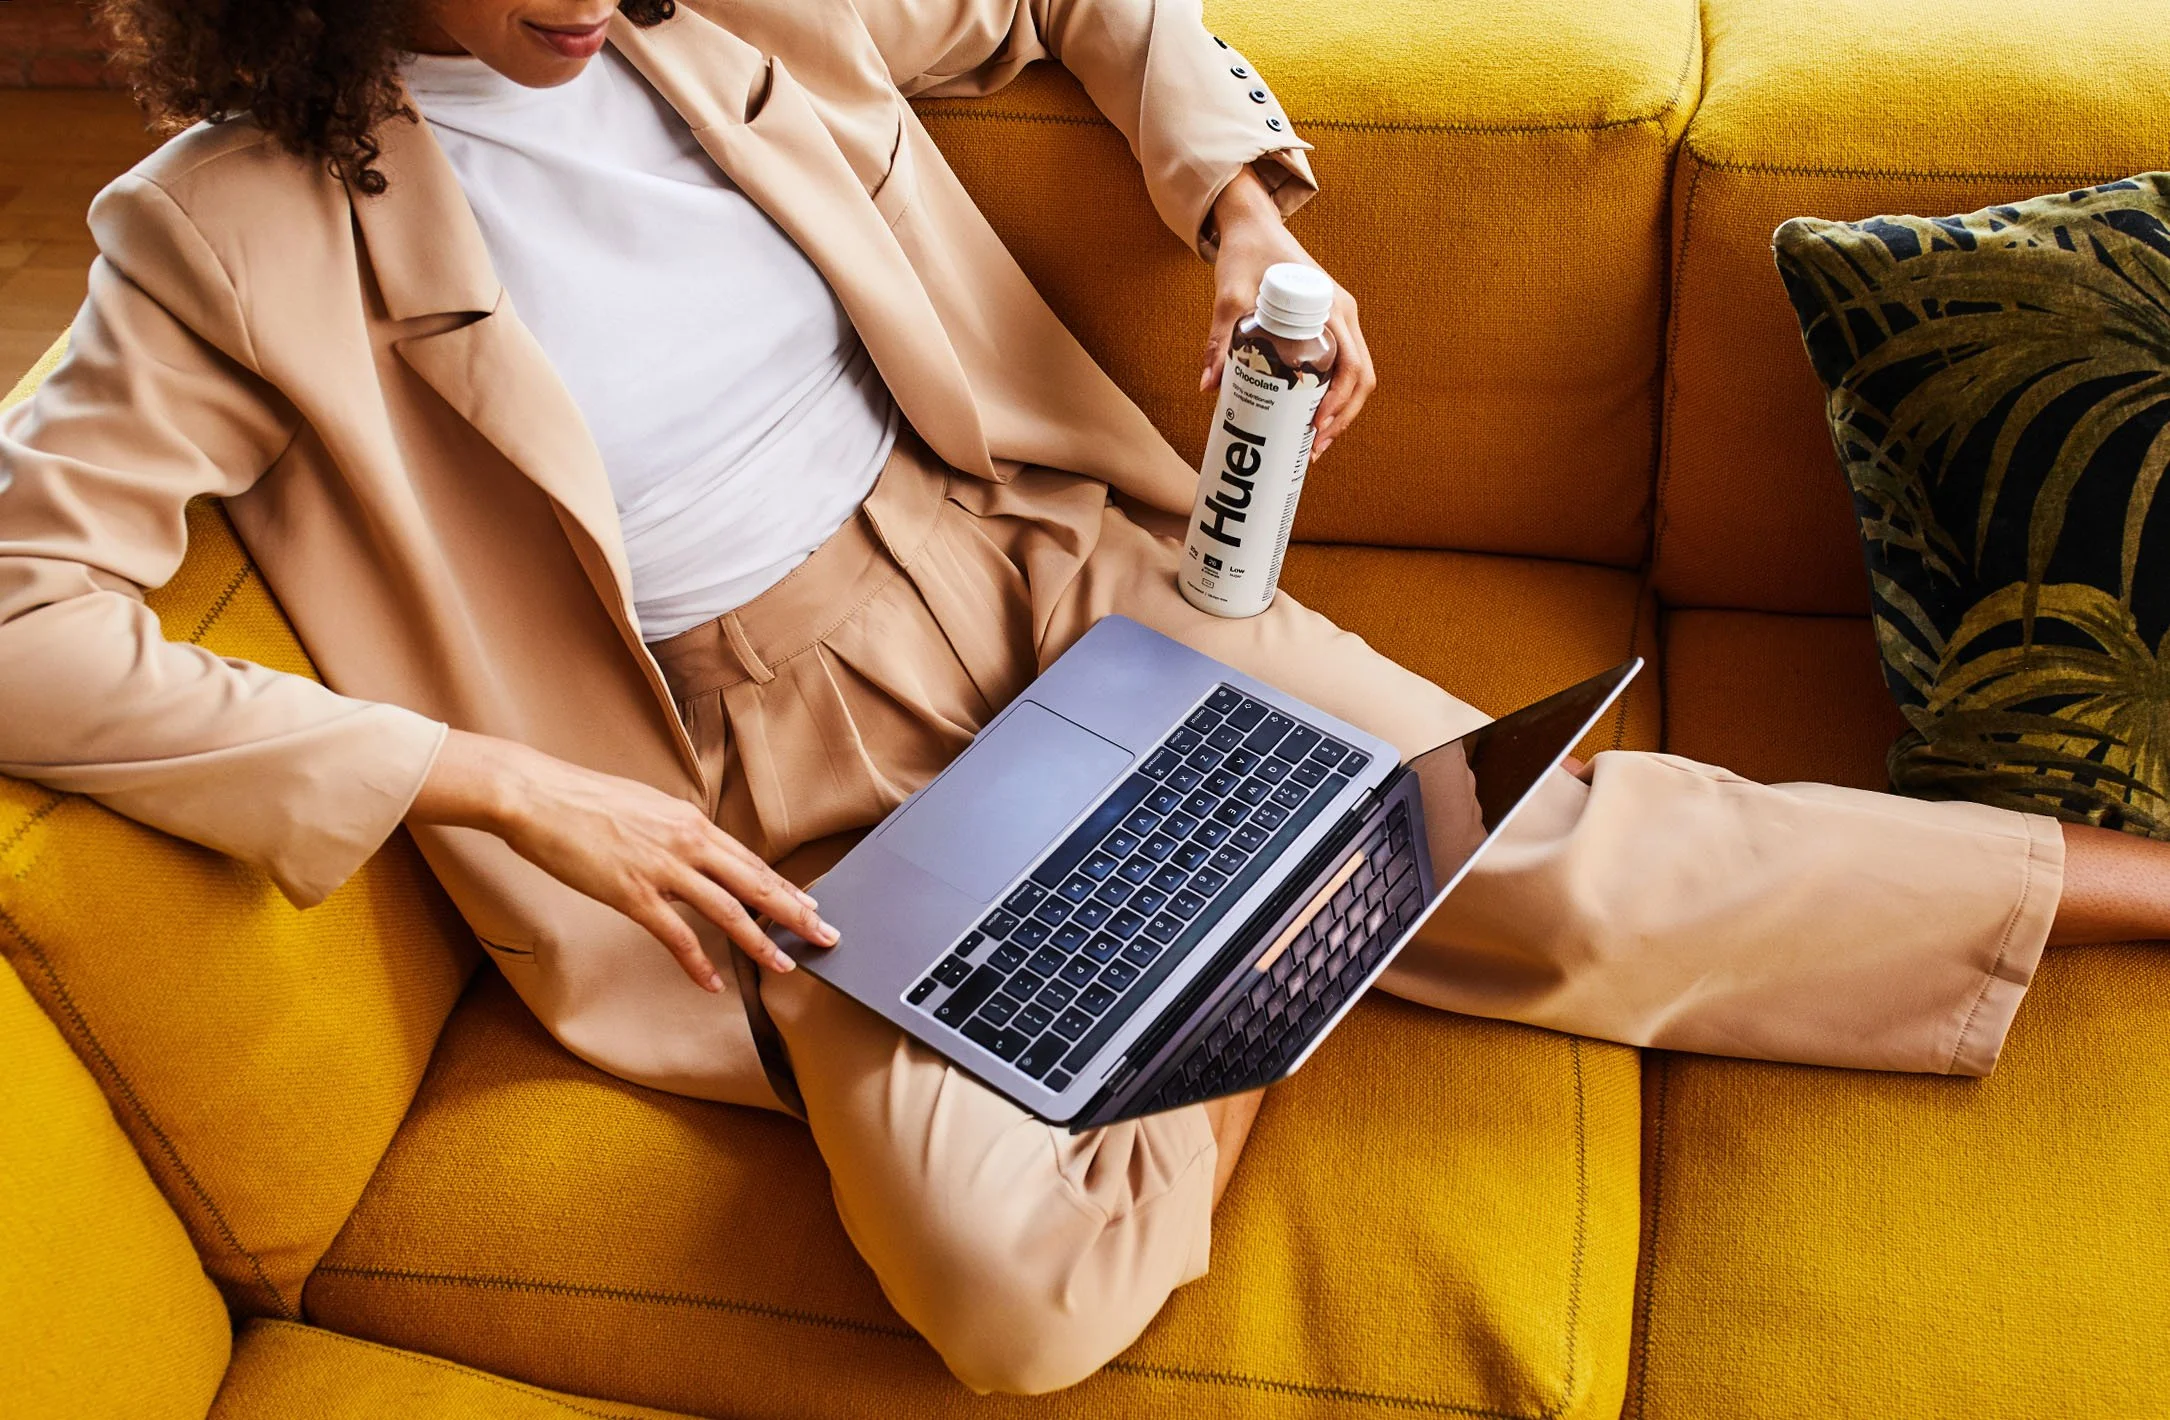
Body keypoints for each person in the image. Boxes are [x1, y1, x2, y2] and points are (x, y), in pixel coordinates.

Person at [1, 0, 2164, 1395]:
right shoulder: (213, 233)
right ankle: (1264, 926)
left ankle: (2119, 876)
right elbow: (22, 610)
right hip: (761, 783)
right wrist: (485, 782)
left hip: (1053, 569)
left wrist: (1243, 221)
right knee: (1002, 1284)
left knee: (1546, 865)